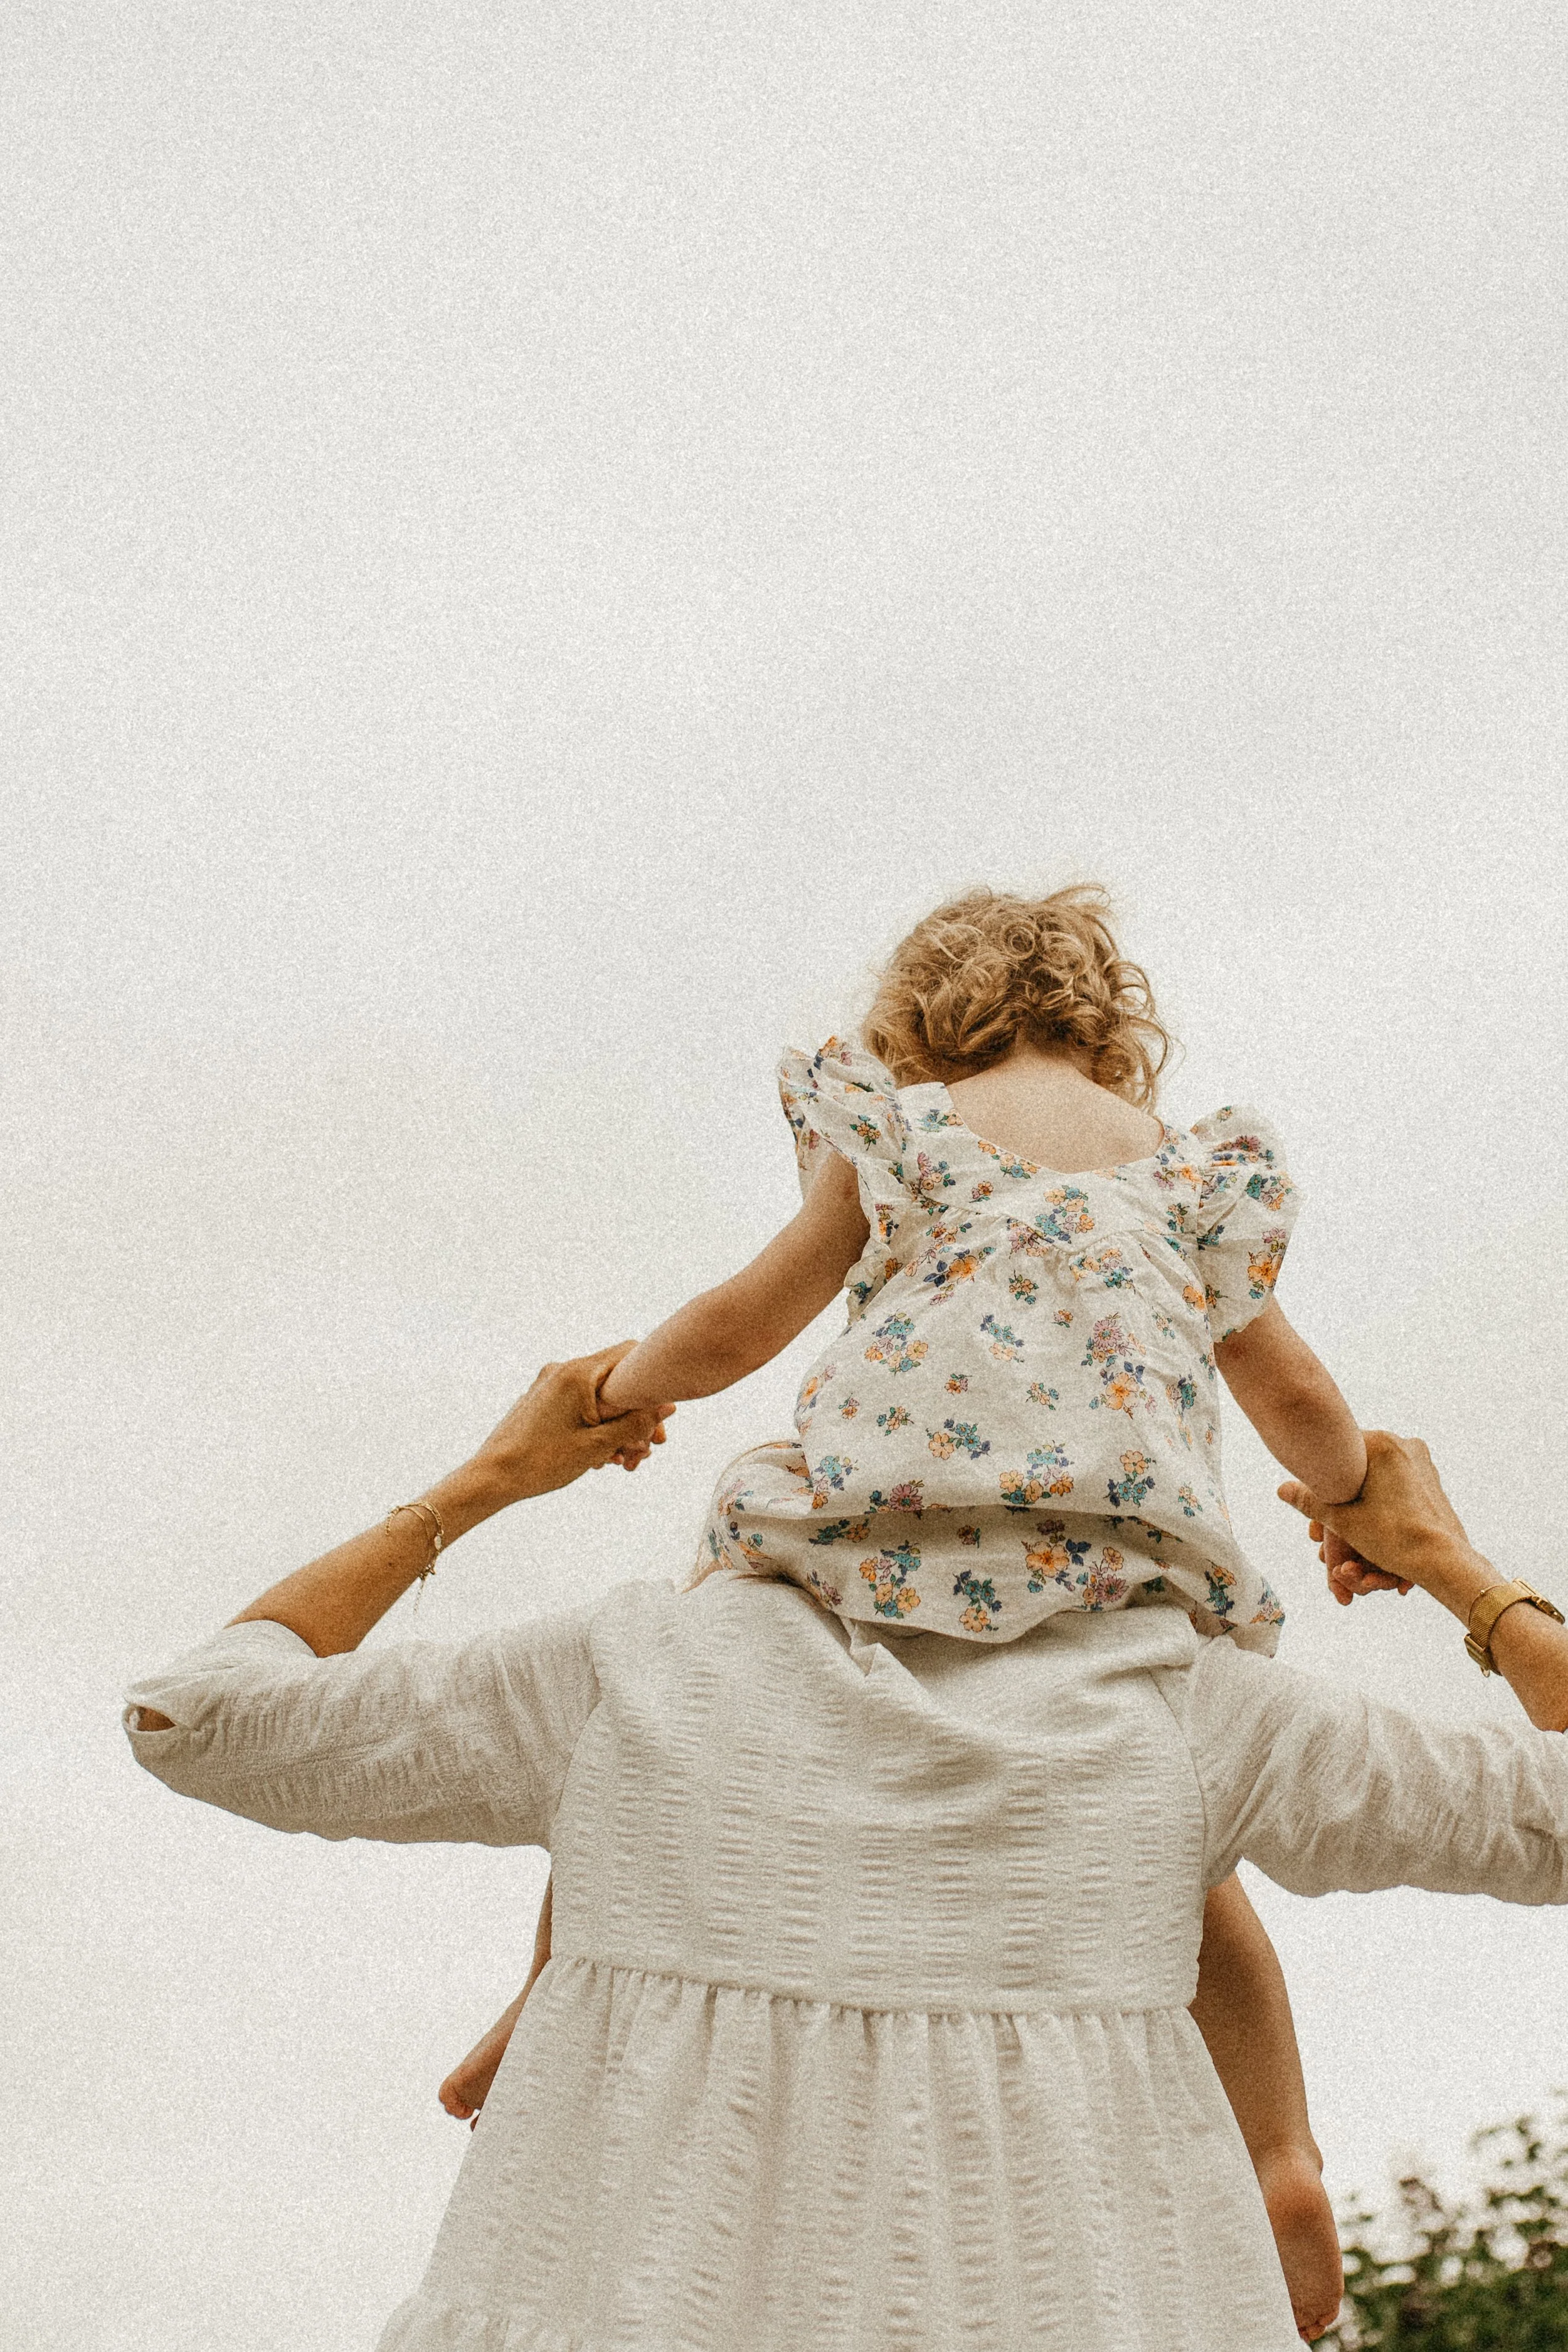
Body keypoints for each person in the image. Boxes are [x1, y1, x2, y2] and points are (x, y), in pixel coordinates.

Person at [125, 1355, 1568, 2352]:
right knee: (1185, 1904)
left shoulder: (639, 1671)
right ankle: (1277, 2143)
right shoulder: (1185, 1711)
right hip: (1078, 2276)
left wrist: (490, 1478)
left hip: (659, 2270)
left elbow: (200, 1718)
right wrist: (1453, 1565)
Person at [439, 882, 1386, 2332]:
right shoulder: (1189, 1172)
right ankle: (1279, 2153)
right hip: (1109, 1563)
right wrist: (1342, 1505)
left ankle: (556, 1980)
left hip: (874, 1532)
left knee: (664, 1712)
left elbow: (747, 1314)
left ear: (923, 1015)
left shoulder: (899, 1124)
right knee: (1185, 1865)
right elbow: (1302, 1401)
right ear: (1109, 1028)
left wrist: (622, 1392)